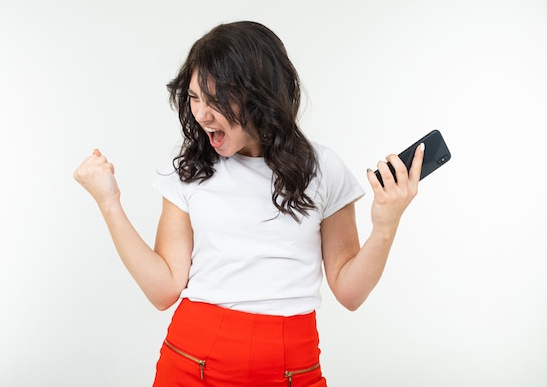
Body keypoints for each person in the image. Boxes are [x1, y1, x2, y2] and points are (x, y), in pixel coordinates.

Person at [73, 21, 424, 387]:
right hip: (192, 365)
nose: (202, 114)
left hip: (292, 370)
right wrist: (109, 203)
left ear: (259, 95)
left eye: (217, 100)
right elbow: (163, 291)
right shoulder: (189, 171)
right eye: (194, 97)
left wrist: (385, 225)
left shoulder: (322, 168)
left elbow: (350, 293)